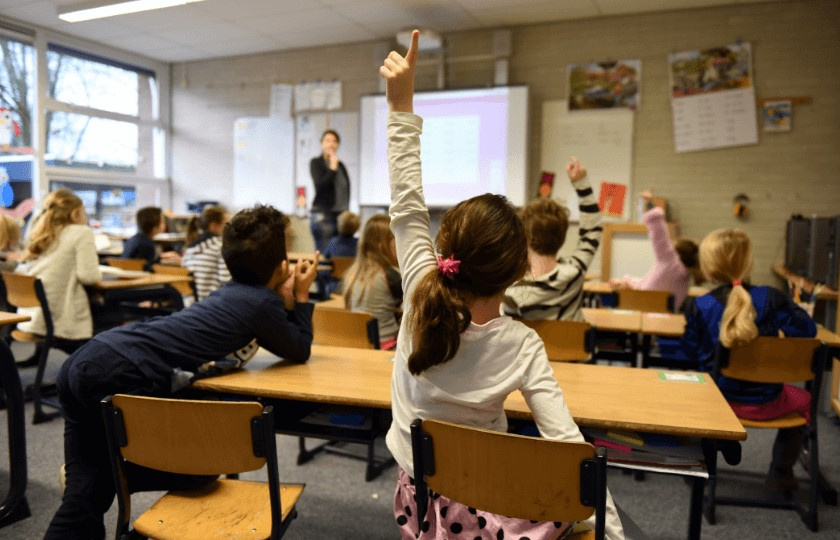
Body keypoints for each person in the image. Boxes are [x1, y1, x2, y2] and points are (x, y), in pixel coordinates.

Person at [379, 31, 624, 540]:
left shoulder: (421, 292)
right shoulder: (521, 343)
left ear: (444, 249)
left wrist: (401, 106)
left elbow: (406, 205)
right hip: (490, 498)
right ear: (518, 272)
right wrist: (612, 531)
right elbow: (567, 443)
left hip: (418, 499)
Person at [44, 205, 320, 540]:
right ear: (282, 265)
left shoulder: (227, 293)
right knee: (199, 469)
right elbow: (299, 349)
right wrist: (301, 295)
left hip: (89, 357)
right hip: (119, 371)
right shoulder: (262, 303)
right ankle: (119, 486)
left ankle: (108, 481)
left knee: (83, 495)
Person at [679, 228, 816, 492]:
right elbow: (806, 332)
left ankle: (705, 453)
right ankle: (781, 472)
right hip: (768, 401)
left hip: (716, 404)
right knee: (805, 400)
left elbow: (688, 354)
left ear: (709, 266)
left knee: (691, 390)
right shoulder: (771, 298)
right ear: (748, 262)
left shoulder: (701, 304)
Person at [503, 157, 603, 321]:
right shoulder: (574, 272)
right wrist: (581, 183)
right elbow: (593, 229)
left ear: (525, 238)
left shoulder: (512, 293)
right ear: (562, 237)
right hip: (570, 347)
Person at [17, 189, 101, 352]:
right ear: (75, 213)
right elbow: (89, 277)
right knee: (113, 313)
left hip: (33, 313)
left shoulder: (39, 230)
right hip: (60, 315)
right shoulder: (81, 232)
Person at [609, 199, 702, 311]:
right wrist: (626, 281)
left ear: (677, 253)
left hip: (647, 317)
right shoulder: (684, 279)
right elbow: (649, 287)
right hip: (668, 322)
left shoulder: (670, 262)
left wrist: (651, 206)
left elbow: (659, 235)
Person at [342, 214, 402, 350]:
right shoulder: (390, 275)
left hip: (360, 346)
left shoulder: (353, 273)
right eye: (395, 239)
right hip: (387, 346)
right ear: (382, 246)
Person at [310, 129, 350, 253]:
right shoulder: (316, 163)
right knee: (324, 256)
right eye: (327, 141)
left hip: (340, 216)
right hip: (323, 215)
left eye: (334, 141)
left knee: (337, 256)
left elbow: (345, 189)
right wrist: (332, 169)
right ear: (322, 144)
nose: (331, 144)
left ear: (338, 145)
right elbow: (320, 186)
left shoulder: (341, 165)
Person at [181, 205, 230, 300]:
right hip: (212, 306)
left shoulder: (189, 249)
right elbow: (227, 282)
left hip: (190, 305)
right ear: (214, 226)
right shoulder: (220, 247)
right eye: (226, 224)